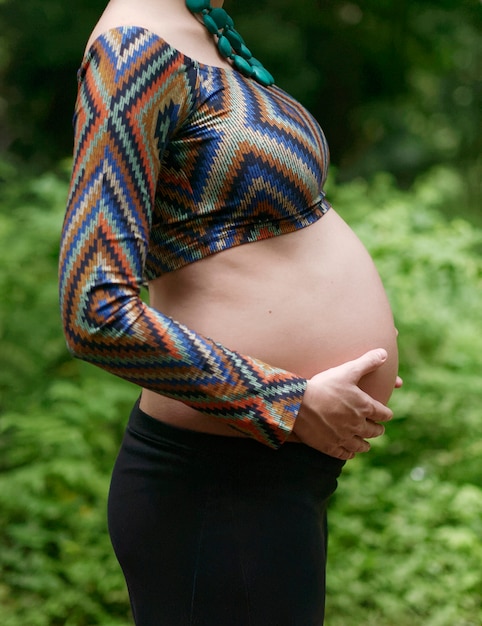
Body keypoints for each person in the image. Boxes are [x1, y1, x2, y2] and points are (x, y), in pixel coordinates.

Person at [59, 0, 402, 624]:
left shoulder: (205, 29)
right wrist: (285, 396)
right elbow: (94, 307)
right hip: (215, 487)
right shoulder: (130, 50)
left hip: (266, 481)